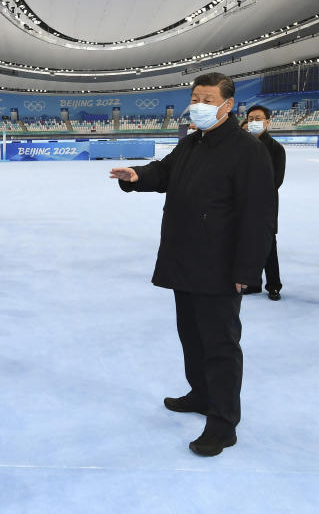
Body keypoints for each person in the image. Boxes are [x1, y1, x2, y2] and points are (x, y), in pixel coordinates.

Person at [109, 72, 276, 457]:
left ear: (228, 105)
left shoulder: (248, 150)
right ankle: (200, 395)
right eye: (195, 97)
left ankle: (223, 422)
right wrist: (137, 176)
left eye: (207, 98)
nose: (198, 105)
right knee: (192, 336)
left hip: (220, 266)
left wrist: (247, 272)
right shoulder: (192, 143)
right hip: (185, 259)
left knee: (220, 345)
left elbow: (259, 217)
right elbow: (164, 171)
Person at [244, 105, 285, 301]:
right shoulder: (239, 145)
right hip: (240, 205)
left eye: (258, 118)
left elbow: (276, 180)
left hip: (264, 206)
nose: (253, 122)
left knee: (268, 247)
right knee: (245, 244)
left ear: (268, 121)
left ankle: (274, 285)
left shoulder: (276, 149)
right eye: (250, 118)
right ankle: (252, 283)